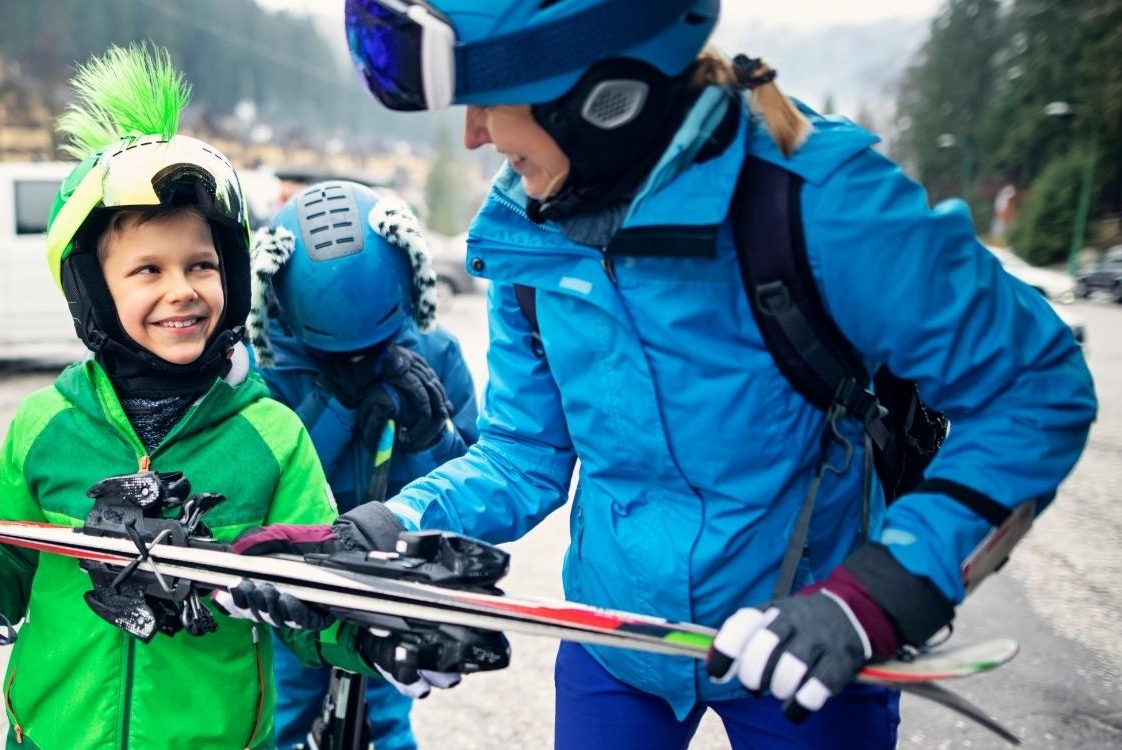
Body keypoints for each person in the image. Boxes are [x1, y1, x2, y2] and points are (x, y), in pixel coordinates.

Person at [237, 2, 1099, 748]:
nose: (472, 134)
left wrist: (877, 594)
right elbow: (523, 455)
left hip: (802, 645)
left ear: (599, 99)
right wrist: (386, 525)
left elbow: (1032, 389)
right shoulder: (526, 233)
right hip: (618, 644)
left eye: (489, 97)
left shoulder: (818, 202)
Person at [0, 45, 454, 750]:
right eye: (146, 270)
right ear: (92, 291)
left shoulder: (271, 438)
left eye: (201, 265)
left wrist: (375, 629)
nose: (180, 289)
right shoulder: (48, 427)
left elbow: (305, 600)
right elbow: (6, 571)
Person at [247, 180, 480, 750]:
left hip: (391, 573)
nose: (354, 358)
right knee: (287, 708)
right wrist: (337, 402)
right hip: (298, 570)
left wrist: (432, 434)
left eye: (366, 346)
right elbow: (271, 480)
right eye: (335, 349)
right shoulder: (269, 364)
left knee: (386, 717)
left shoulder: (434, 351)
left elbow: (474, 478)